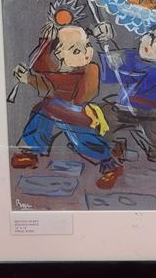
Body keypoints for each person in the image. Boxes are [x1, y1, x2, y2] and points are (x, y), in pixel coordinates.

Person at [10, 15, 123, 190]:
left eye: (88, 45)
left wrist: (30, 79)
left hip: (77, 113)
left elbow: (65, 87)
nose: (86, 52)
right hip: (55, 109)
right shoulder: (56, 68)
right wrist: (46, 42)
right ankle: (32, 151)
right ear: (59, 54)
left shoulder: (90, 69)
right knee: (40, 114)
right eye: (76, 50)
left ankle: (110, 165)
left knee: (83, 141)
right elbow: (41, 67)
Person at [91, 22, 156, 165]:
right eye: (152, 35)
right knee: (102, 116)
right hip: (124, 108)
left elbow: (134, 76)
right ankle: (116, 148)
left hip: (150, 111)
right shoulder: (132, 56)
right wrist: (105, 41)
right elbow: (112, 64)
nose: (150, 43)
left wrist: (116, 64)